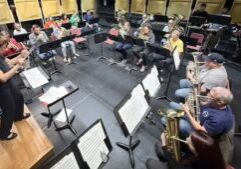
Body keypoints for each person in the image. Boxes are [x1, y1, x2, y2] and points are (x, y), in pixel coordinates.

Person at [146, 131, 233, 169]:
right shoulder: (211, 153)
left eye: (190, 141)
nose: (187, 139)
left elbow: (176, 167)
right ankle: (166, 162)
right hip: (188, 164)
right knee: (158, 145)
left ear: (197, 150)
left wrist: (165, 144)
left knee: (150, 162)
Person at [0, 36, 30, 140]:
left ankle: (18, 116)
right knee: (9, 108)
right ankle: (4, 133)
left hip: (9, 82)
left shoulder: (1, 55)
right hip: (2, 88)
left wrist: (20, 56)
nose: (6, 49)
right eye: (3, 47)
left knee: (19, 97)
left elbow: (8, 63)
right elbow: (3, 78)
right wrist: (18, 65)